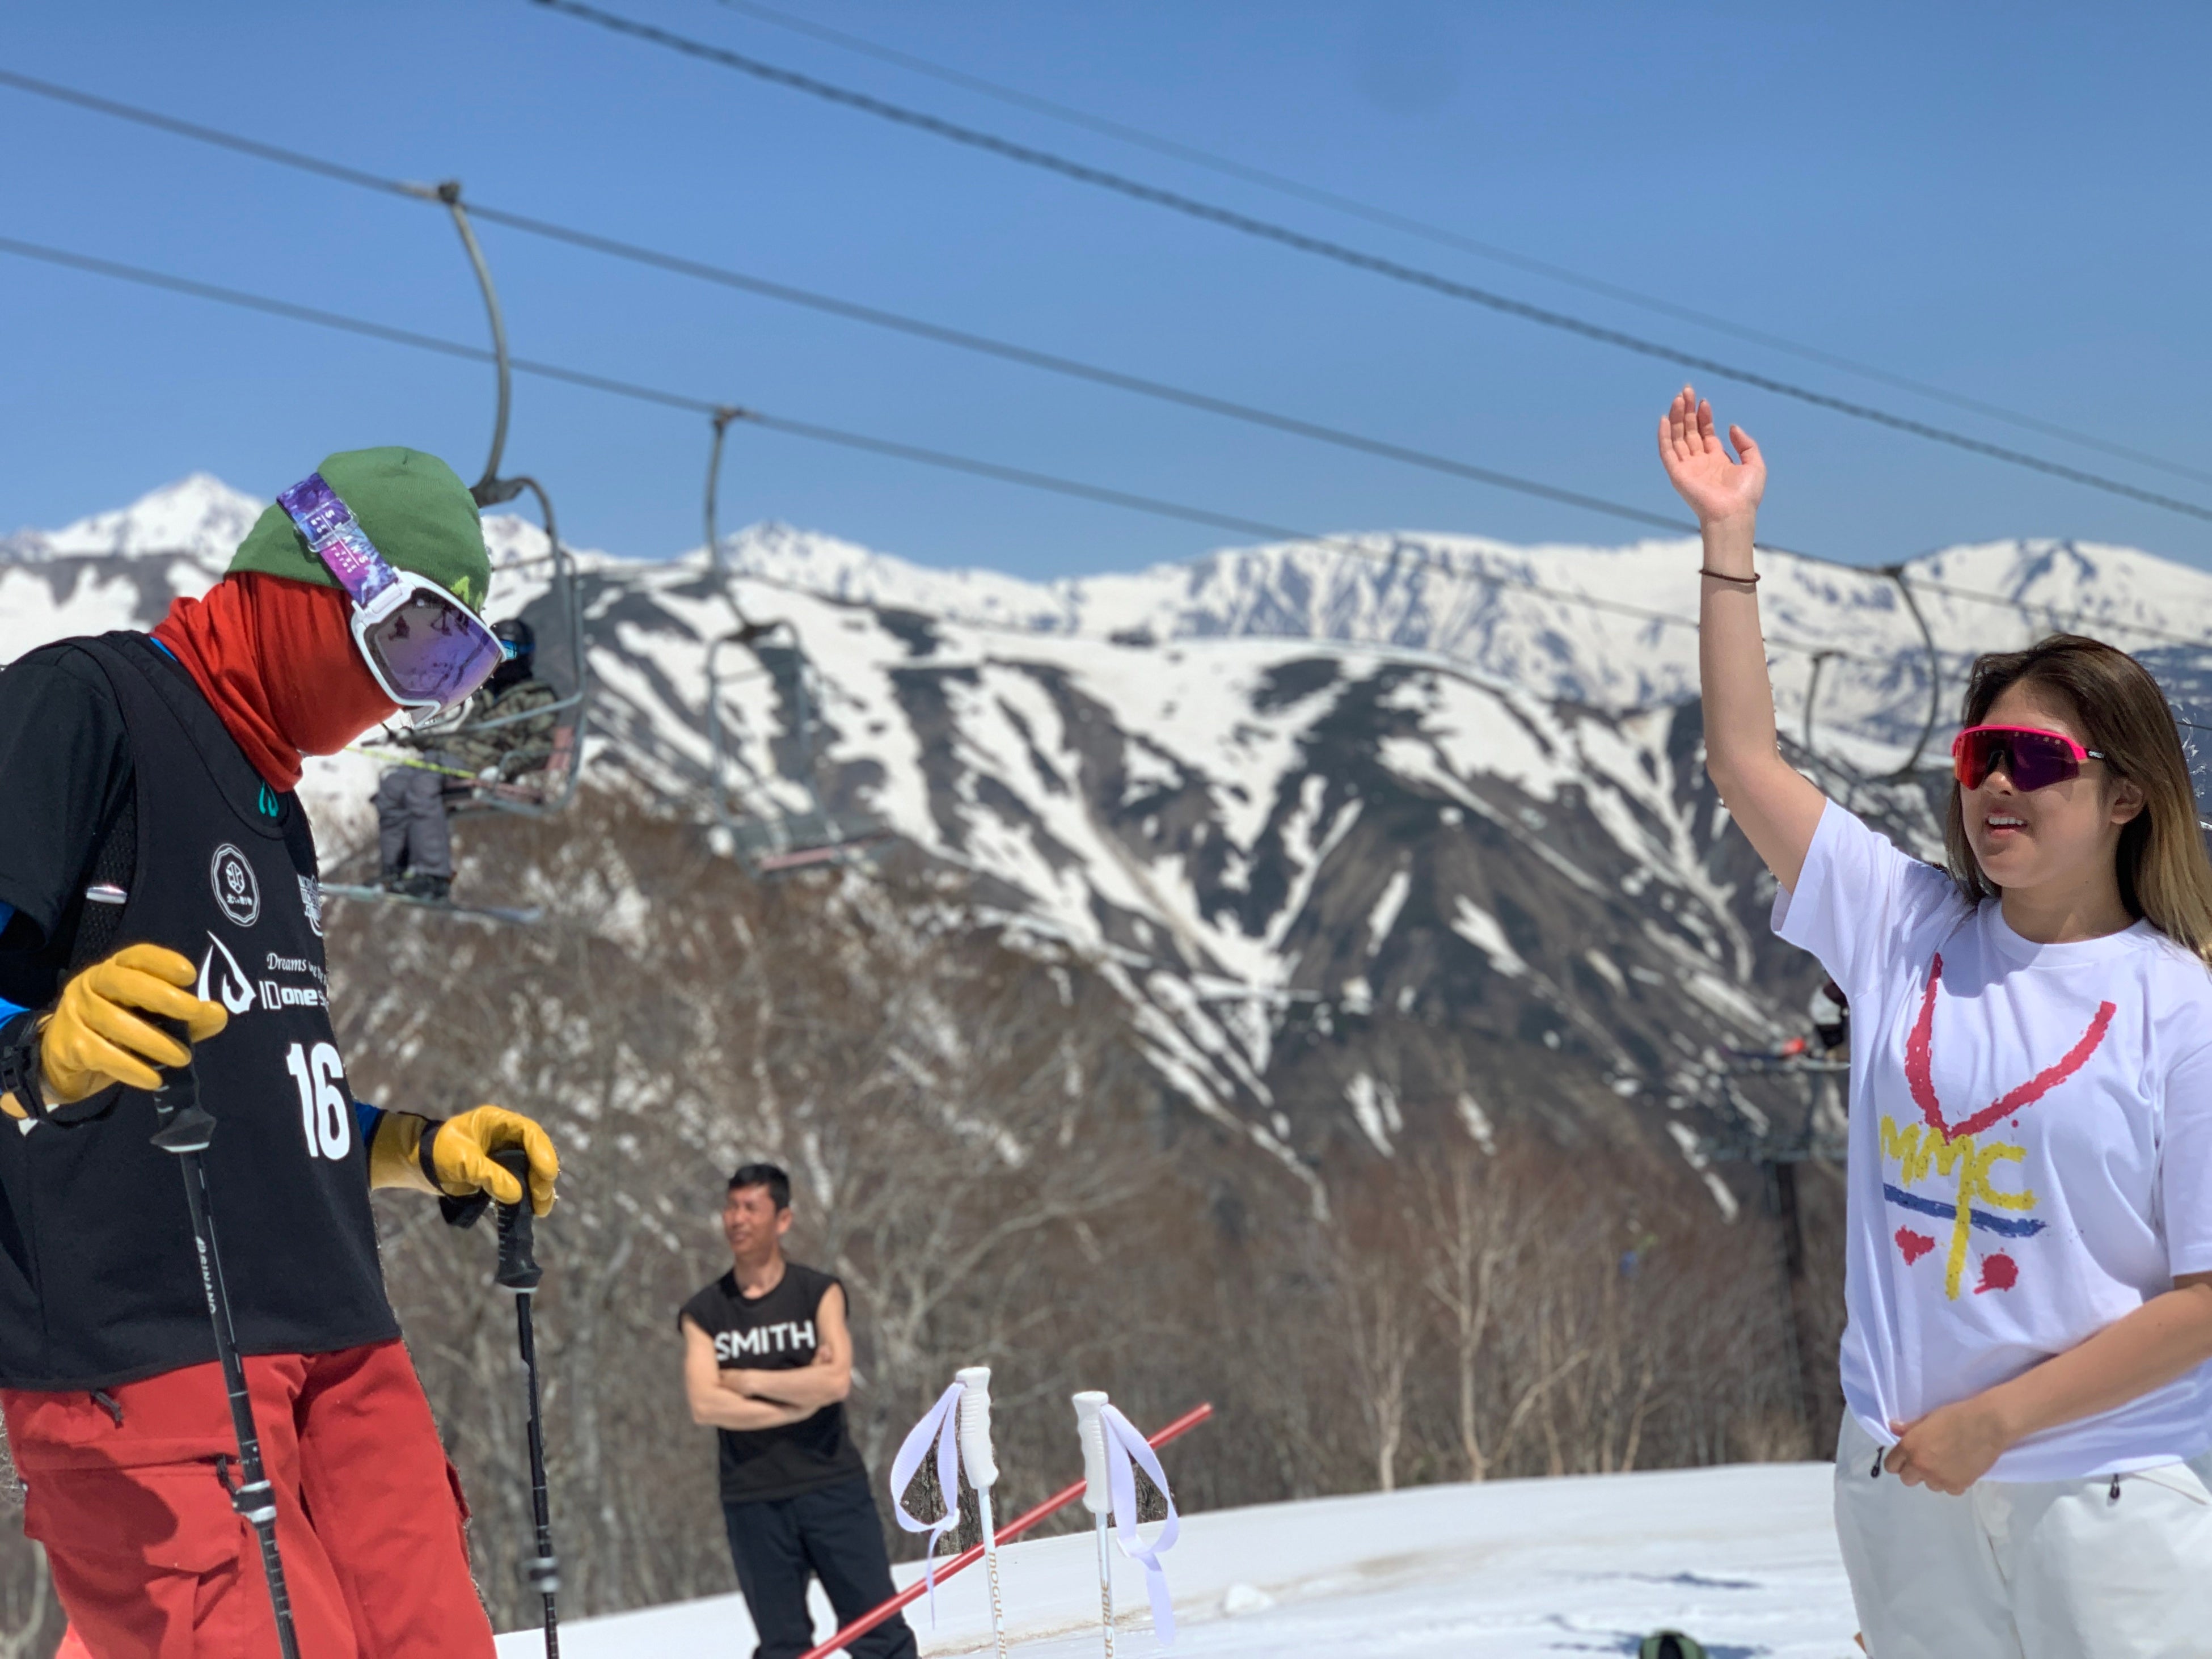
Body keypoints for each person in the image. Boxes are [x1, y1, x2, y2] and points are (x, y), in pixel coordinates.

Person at [1660, 387, 2212, 1657]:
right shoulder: (1904, 926)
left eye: (2035, 760)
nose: (1997, 786)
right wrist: (1728, 535)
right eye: (1980, 759)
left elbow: (2203, 1295)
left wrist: (2002, 1422)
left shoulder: (2179, 1005)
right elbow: (1747, 762)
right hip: (1901, 1477)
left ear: (2125, 793)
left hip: (2106, 1495)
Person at [0, 446, 563, 1657]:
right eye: (411, 639)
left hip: (337, 1331)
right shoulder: (84, 703)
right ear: (316, 570)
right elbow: (51, 1051)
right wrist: (37, 1056)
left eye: (449, 672)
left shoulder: (273, 804)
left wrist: (417, 1146)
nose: (399, 698)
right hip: (149, 1341)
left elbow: (258, 1095)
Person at [678, 1164, 917, 1659]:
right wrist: (799, 1396)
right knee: (785, 1647)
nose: (736, 1219)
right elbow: (705, 1403)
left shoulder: (818, 1292)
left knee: (880, 1633)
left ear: (782, 1219)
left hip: (833, 1486)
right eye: (731, 1206)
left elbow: (834, 1381)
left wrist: (747, 1381)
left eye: (751, 1208)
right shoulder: (705, 1312)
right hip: (754, 1497)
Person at [374, 617, 562, 902]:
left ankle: (433, 876)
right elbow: (462, 739)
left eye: (509, 651)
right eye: (496, 651)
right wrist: (413, 739)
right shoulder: (486, 696)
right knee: (393, 785)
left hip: (482, 764)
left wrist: (502, 769)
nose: (502, 659)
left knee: (423, 786)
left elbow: (537, 747)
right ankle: (395, 872)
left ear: (526, 654)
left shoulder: (536, 698)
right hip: (452, 757)